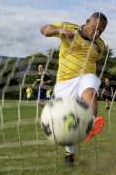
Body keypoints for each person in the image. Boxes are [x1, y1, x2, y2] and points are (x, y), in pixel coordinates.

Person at [40, 12, 108, 166]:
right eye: (95, 28)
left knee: (89, 92)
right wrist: (59, 31)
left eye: (101, 31)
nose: (97, 33)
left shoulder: (100, 45)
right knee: (66, 119)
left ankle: (90, 125)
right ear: (87, 21)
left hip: (86, 75)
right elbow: (44, 29)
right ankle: (69, 154)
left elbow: (96, 61)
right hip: (65, 80)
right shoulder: (70, 28)